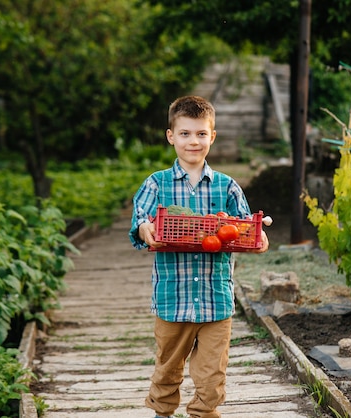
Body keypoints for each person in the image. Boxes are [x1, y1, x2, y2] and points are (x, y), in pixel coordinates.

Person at [129, 95, 269, 418]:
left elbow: (246, 227)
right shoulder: (156, 184)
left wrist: (258, 235)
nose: (194, 141)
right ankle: (162, 412)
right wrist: (144, 230)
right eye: (185, 134)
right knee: (167, 370)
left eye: (201, 134)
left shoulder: (228, 187)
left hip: (215, 299)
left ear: (212, 136)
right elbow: (140, 221)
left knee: (212, 376)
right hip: (172, 299)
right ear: (171, 136)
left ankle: (204, 413)